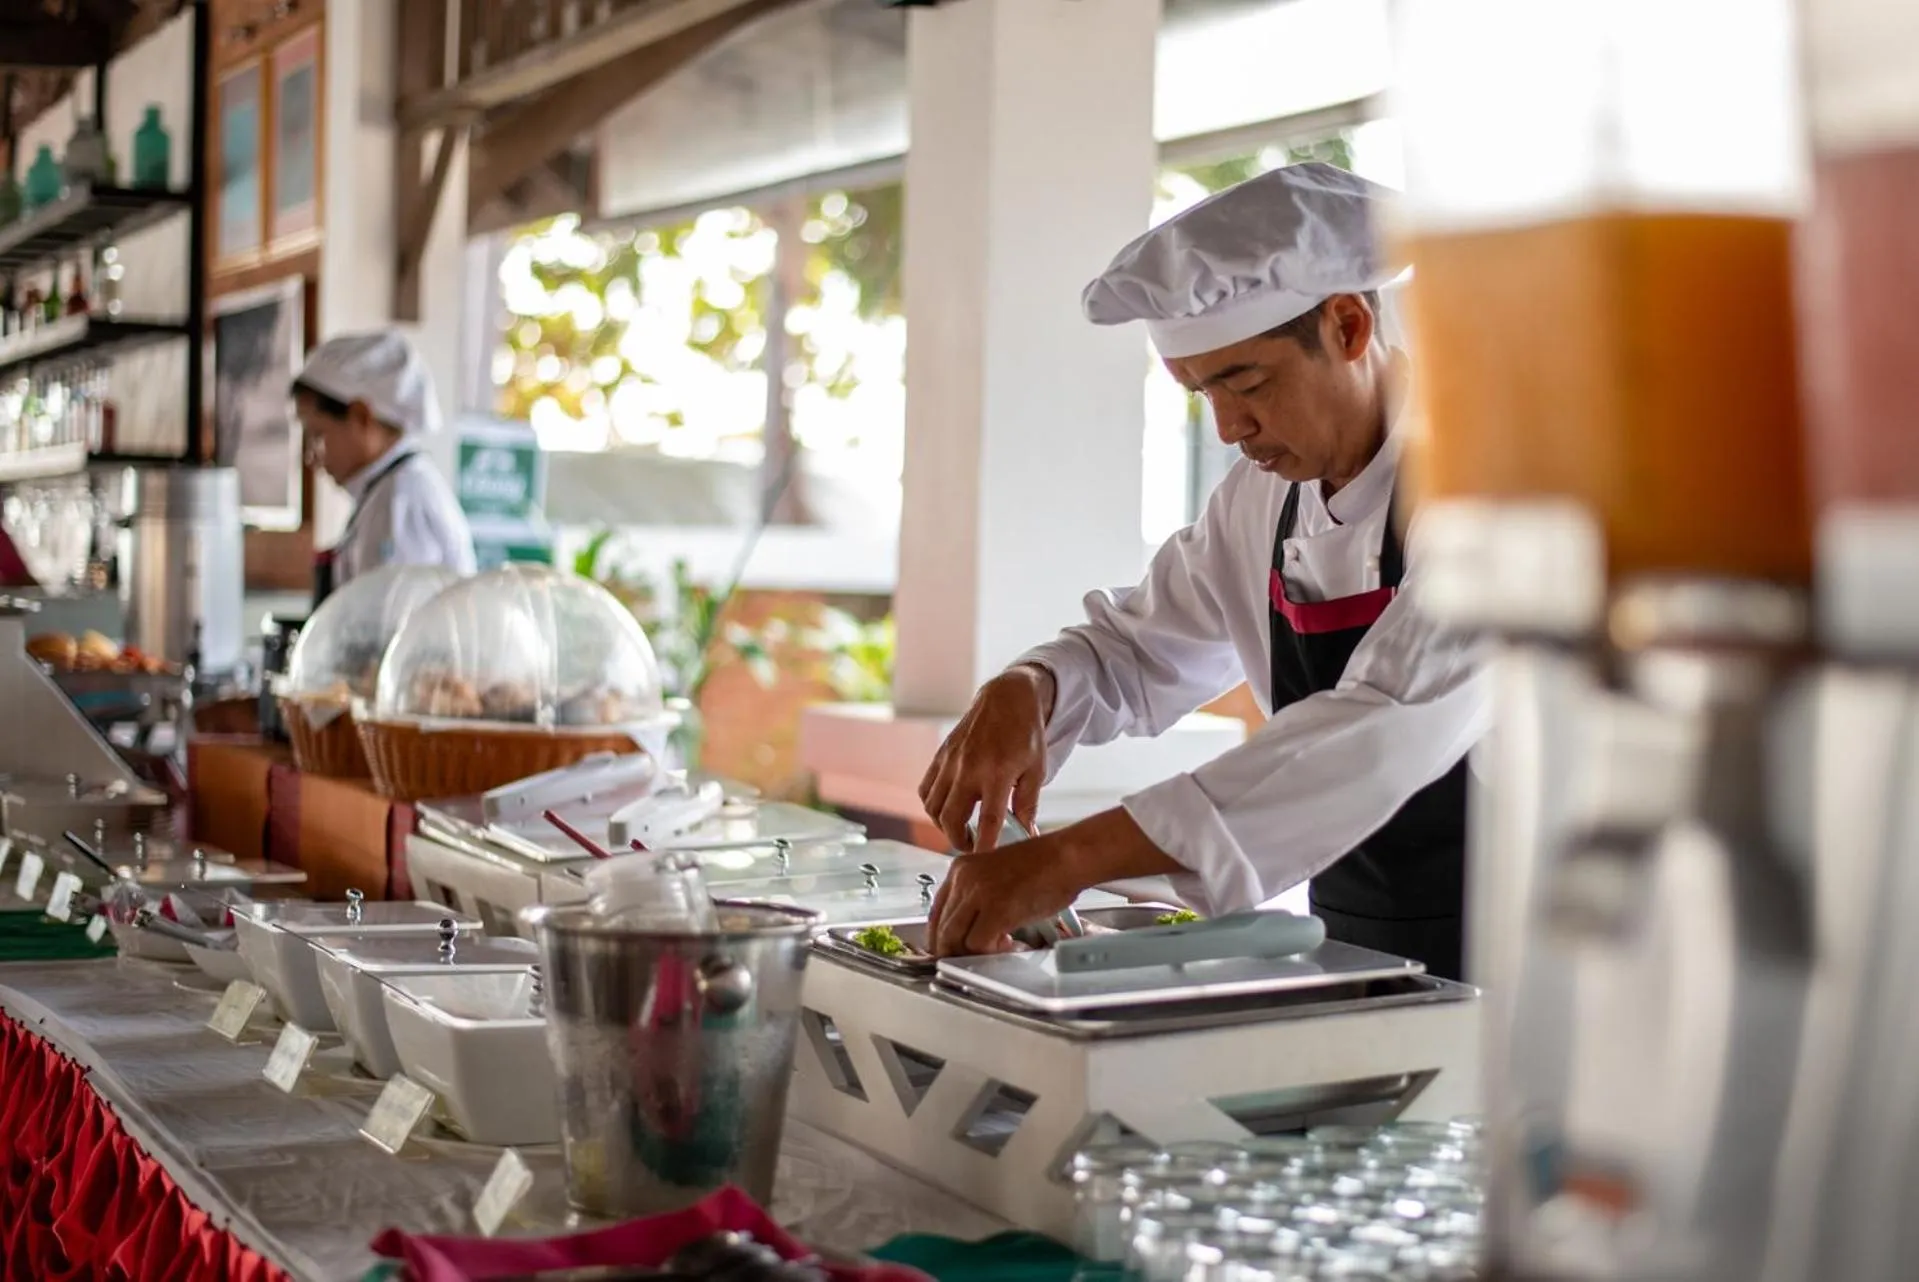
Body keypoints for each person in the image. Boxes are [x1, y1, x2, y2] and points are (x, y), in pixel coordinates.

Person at [917, 163, 1489, 979]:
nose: (1228, 428)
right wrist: (1030, 687)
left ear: (1348, 327)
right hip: (1362, 953)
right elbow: (1136, 650)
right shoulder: (1259, 501)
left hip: (1538, 967)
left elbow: (1383, 724)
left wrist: (1069, 860)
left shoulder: (1493, 485)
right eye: (1198, 393)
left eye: (1246, 381)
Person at [292, 330, 477, 607]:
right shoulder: (386, 492)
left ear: (360, 416)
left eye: (318, 435)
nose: (311, 457)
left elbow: (388, 632)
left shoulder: (402, 501)